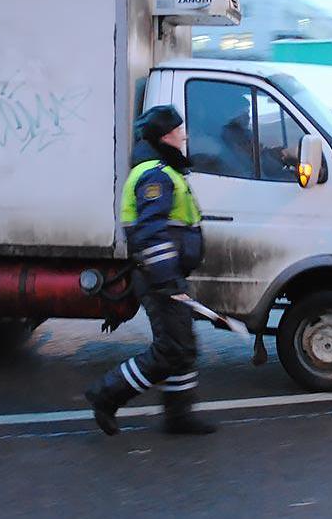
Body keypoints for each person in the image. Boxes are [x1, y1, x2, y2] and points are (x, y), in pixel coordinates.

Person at [84, 105, 217, 436]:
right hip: (159, 278)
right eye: (179, 131)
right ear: (165, 137)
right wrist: (168, 280)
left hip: (166, 275)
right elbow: (150, 233)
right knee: (171, 349)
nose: (184, 136)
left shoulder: (165, 170)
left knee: (183, 345)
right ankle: (106, 394)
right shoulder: (155, 175)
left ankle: (179, 416)